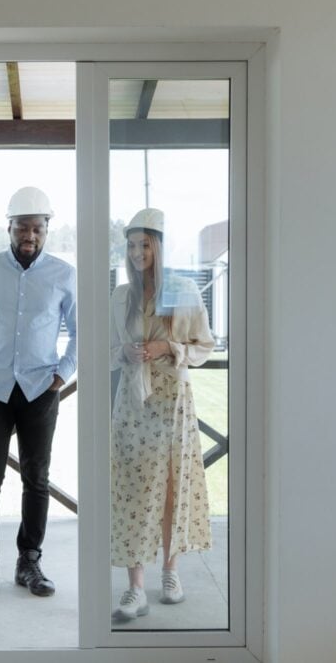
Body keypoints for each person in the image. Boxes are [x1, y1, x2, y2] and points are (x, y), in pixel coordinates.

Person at [0, 186, 77, 598]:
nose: (30, 235)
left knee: (37, 478)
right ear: (9, 228)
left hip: (41, 388)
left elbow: (81, 330)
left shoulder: (63, 274)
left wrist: (63, 375)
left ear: (46, 230)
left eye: (37, 228)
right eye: (22, 226)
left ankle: (30, 562)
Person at [108, 208, 215, 622]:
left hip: (172, 400)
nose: (138, 252)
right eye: (132, 245)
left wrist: (169, 347)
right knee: (132, 488)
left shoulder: (183, 290)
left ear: (159, 245)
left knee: (171, 486)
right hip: (133, 401)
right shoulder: (120, 296)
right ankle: (135, 587)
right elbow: (108, 349)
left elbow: (204, 344)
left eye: (145, 244)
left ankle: (171, 572)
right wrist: (128, 352)